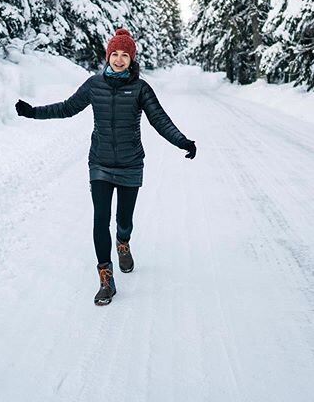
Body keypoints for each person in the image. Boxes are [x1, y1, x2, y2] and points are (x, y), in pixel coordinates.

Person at [15, 28, 196, 306]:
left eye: (125, 55)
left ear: (132, 59)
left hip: (130, 164)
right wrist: (33, 112)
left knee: (123, 220)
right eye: (115, 54)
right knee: (101, 218)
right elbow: (67, 108)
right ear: (108, 56)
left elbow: (159, 119)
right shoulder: (94, 84)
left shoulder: (140, 88)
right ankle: (105, 278)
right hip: (99, 163)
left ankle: (123, 243)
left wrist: (182, 141)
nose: (120, 59)